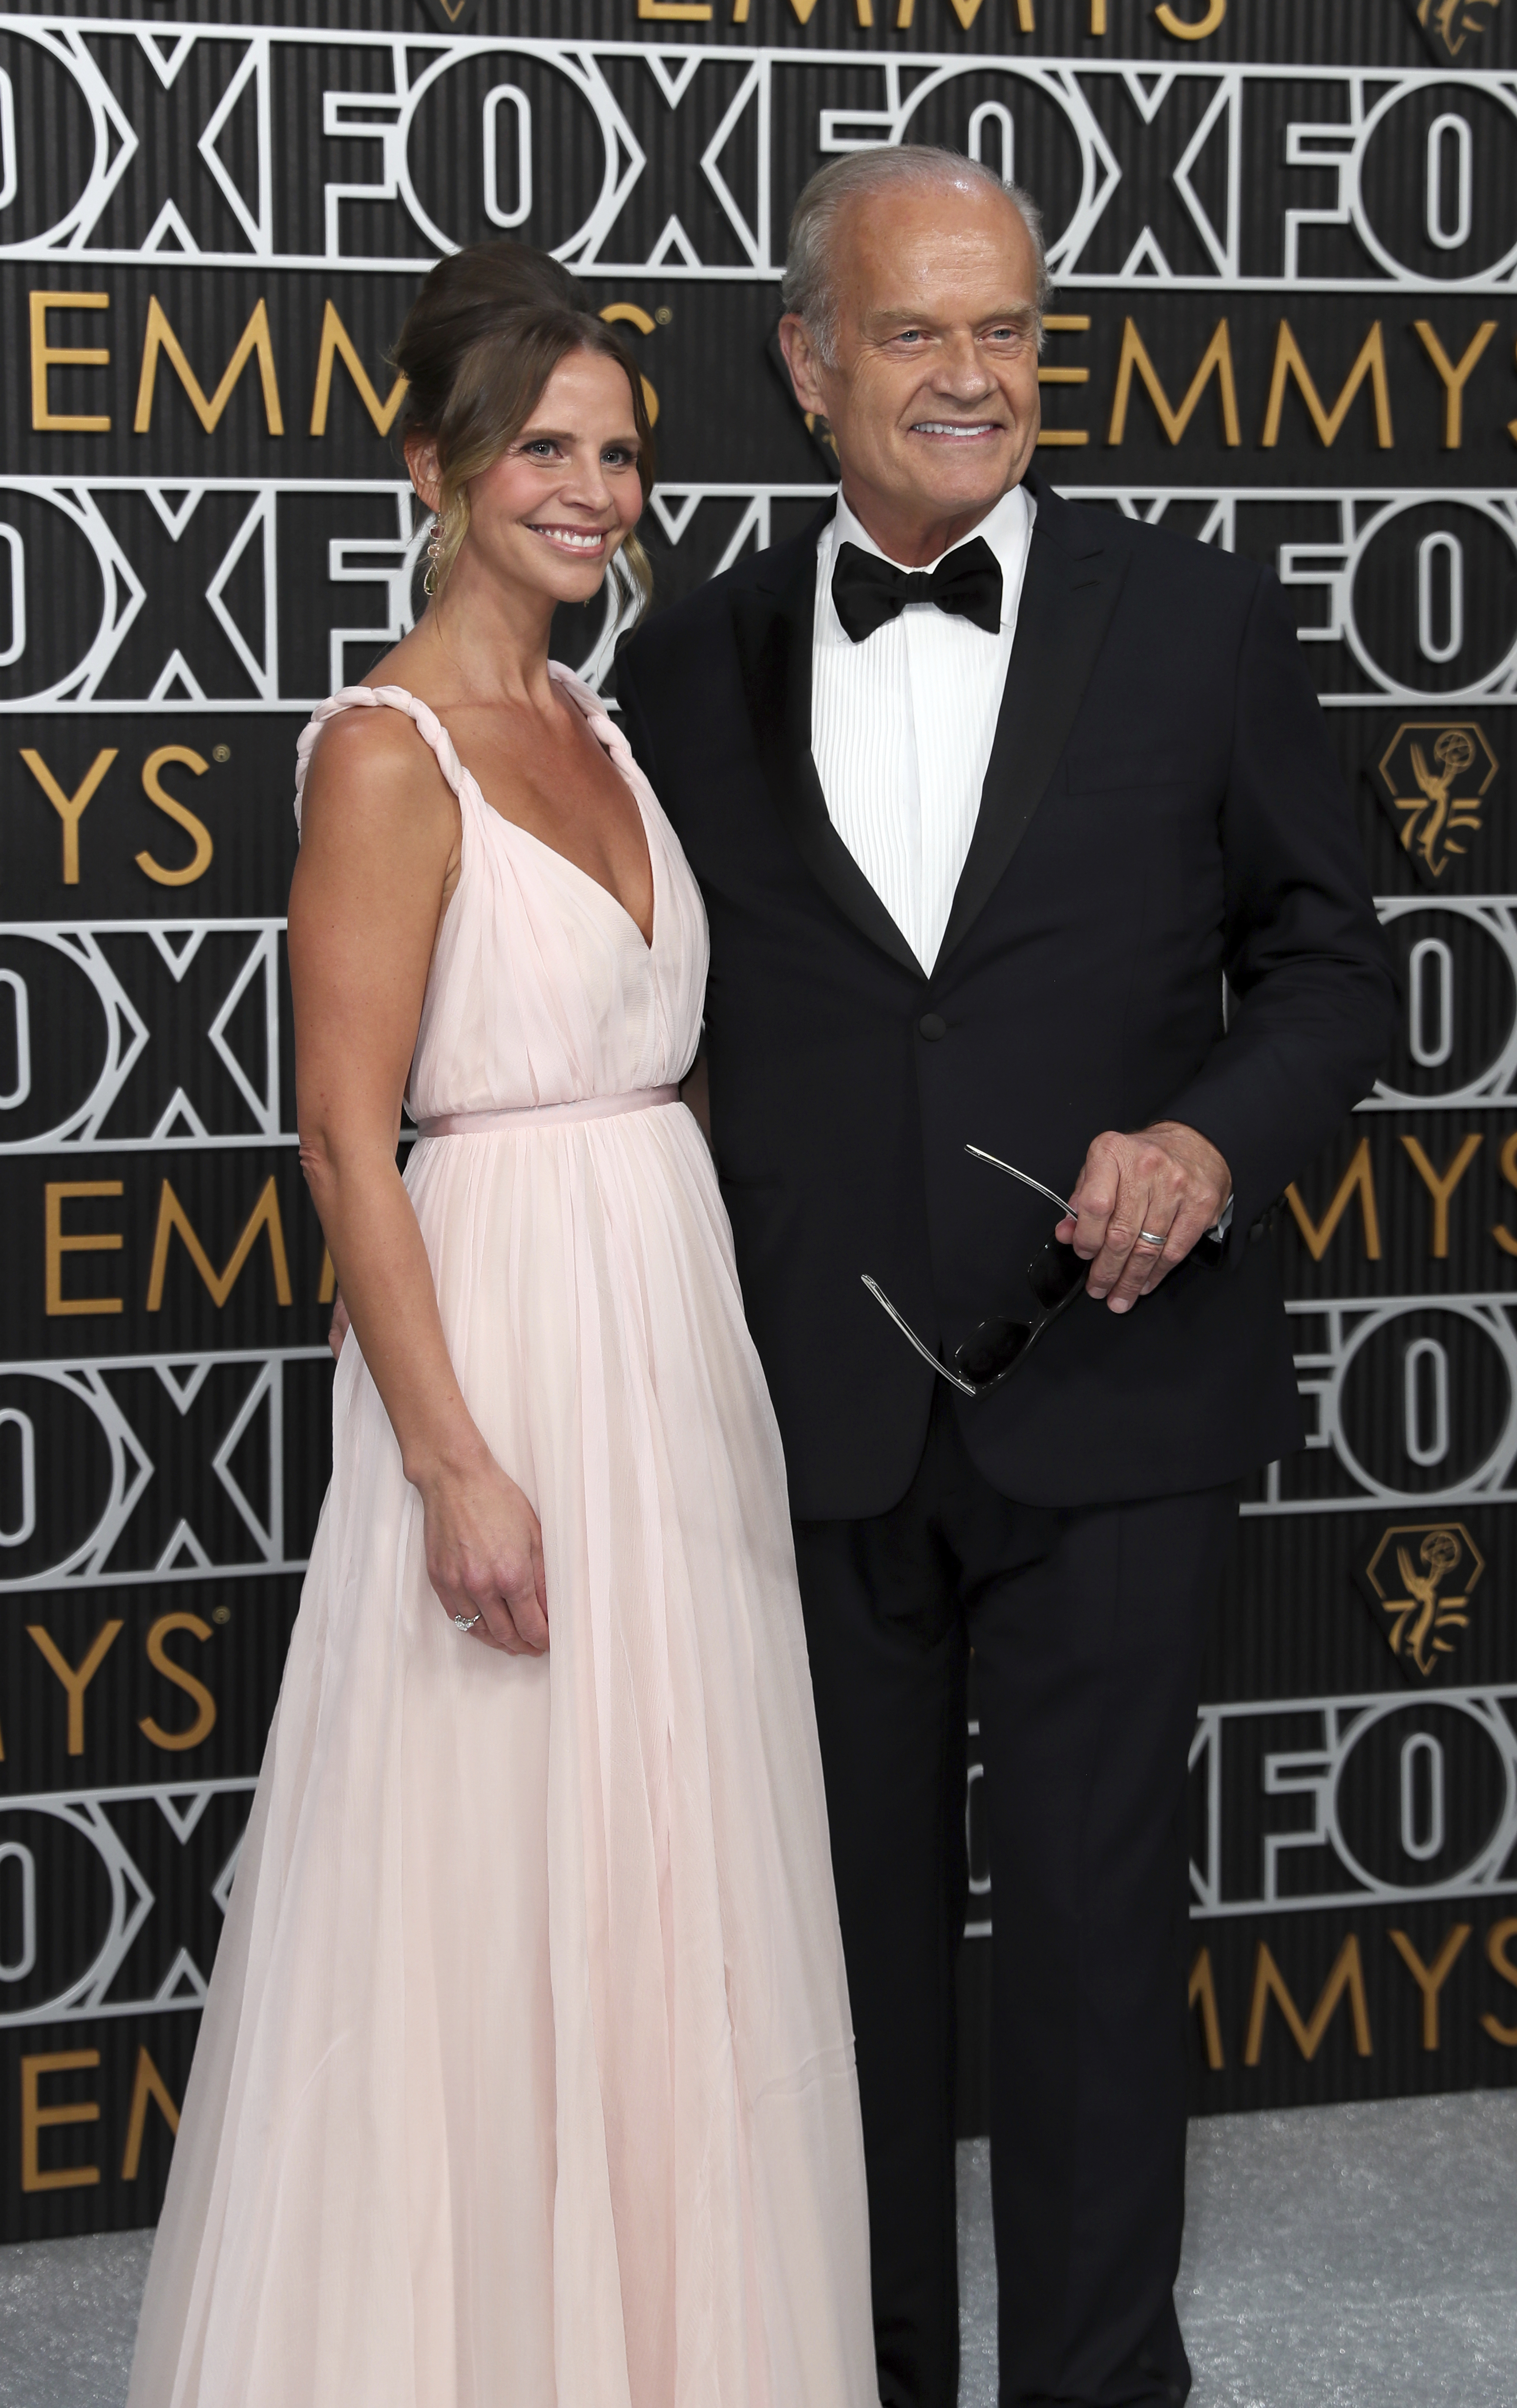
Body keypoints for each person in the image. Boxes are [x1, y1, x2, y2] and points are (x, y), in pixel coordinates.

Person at [614, 150, 1397, 2408]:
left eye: (1011, 331)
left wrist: (1209, 1143)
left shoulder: (1202, 620)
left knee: (1086, 1951)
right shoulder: (684, 657)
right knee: (833, 1974)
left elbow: (1335, 968)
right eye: (917, 332)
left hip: (1121, 1394)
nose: (974, 376)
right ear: (807, 361)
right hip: (810, 1412)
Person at [126, 242, 877, 2408]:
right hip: (504, 1354)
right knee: (483, 1877)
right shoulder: (383, 750)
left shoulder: (603, 733)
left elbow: (684, 1068)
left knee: (673, 1876)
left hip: (667, 1342)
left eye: (624, 450)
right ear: (437, 465)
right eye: (545, 447)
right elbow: (350, 1146)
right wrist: (452, 1457)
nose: (593, 489)